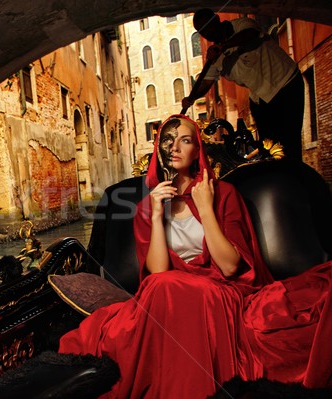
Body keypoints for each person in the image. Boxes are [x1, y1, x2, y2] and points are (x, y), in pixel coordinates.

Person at [58, 114, 332, 399]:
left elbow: (229, 266)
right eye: (168, 139)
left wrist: (206, 209)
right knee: (162, 286)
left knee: (167, 288)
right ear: (158, 149)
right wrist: (154, 215)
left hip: (222, 293)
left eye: (185, 140)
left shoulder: (222, 194)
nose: (175, 147)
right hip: (170, 297)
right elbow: (158, 271)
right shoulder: (146, 206)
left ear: (196, 150)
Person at [182, 9, 305, 161]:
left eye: (208, 26)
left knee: (290, 142)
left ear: (217, 19)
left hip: (285, 82)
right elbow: (206, 83)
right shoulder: (215, 57)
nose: (207, 32)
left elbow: (250, 34)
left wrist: (224, 46)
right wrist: (191, 97)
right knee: (269, 148)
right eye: (202, 30)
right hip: (261, 97)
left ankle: (296, 177)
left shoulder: (241, 25)